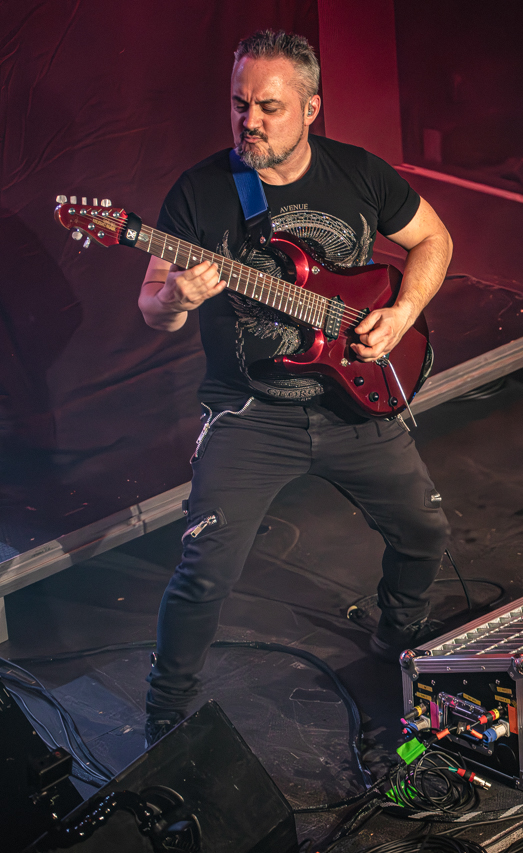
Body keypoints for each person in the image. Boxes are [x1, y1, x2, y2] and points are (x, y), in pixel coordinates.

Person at [137, 30, 453, 745]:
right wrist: (178, 297)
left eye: (269, 108)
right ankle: (166, 714)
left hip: (356, 403)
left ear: (311, 107)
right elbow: (152, 308)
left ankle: (398, 633)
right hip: (252, 413)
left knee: (425, 530)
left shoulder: (358, 172)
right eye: (239, 104)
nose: (248, 121)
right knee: (205, 570)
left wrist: (402, 314)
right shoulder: (200, 192)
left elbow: (435, 240)